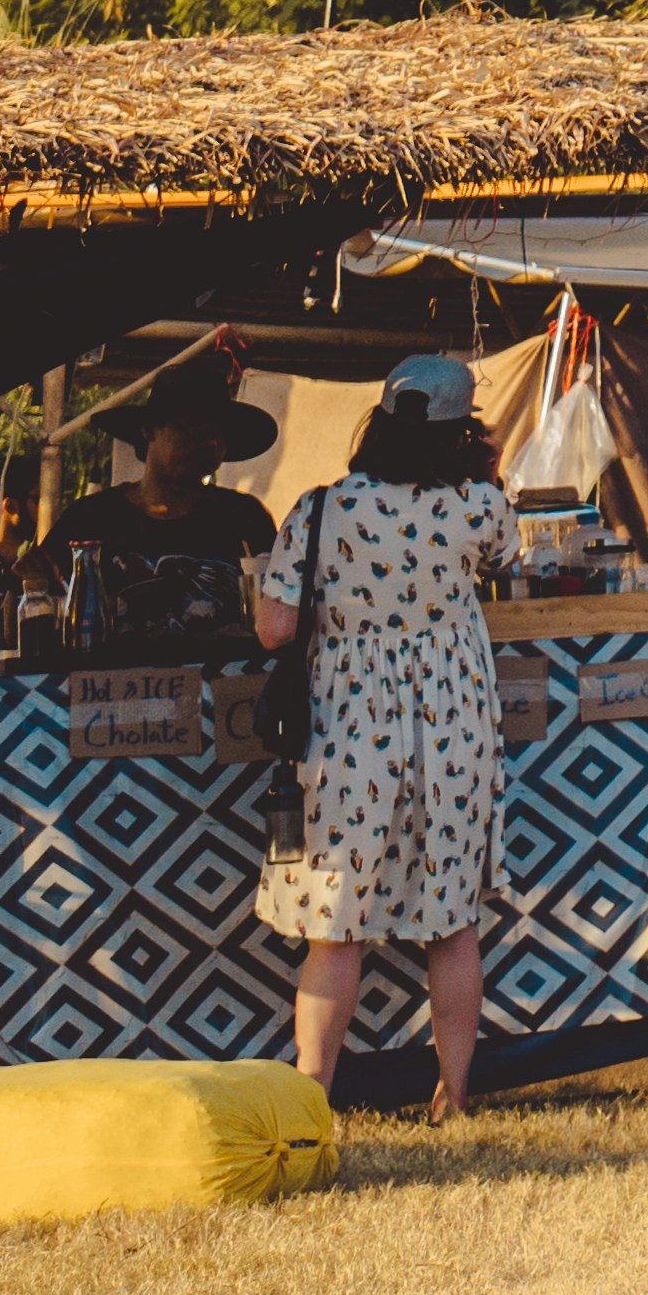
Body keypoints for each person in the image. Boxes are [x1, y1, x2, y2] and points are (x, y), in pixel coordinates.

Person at [244, 355, 509, 1127]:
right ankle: (452, 1100)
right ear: (460, 431)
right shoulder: (478, 507)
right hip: (455, 725)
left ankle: (310, 1103)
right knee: (451, 923)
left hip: (350, 730)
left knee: (335, 929)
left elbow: (275, 627)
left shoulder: (322, 509)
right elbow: (505, 561)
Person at [44, 376, 272, 674]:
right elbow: (37, 599)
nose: (209, 443)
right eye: (192, 427)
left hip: (223, 699)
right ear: (148, 431)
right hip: (112, 699)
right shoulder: (91, 518)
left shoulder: (244, 516)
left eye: (219, 436)